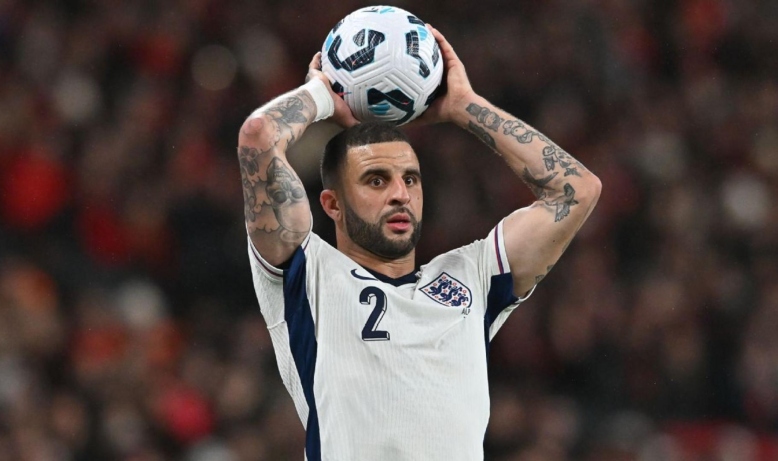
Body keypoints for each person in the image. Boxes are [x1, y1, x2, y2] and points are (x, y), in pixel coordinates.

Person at [238, 24, 601, 461]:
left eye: (410, 179)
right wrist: (320, 95)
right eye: (376, 180)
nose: (400, 194)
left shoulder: (473, 276)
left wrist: (466, 106)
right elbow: (259, 137)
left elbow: (576, 191)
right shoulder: (305, 275)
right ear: (332, 204)